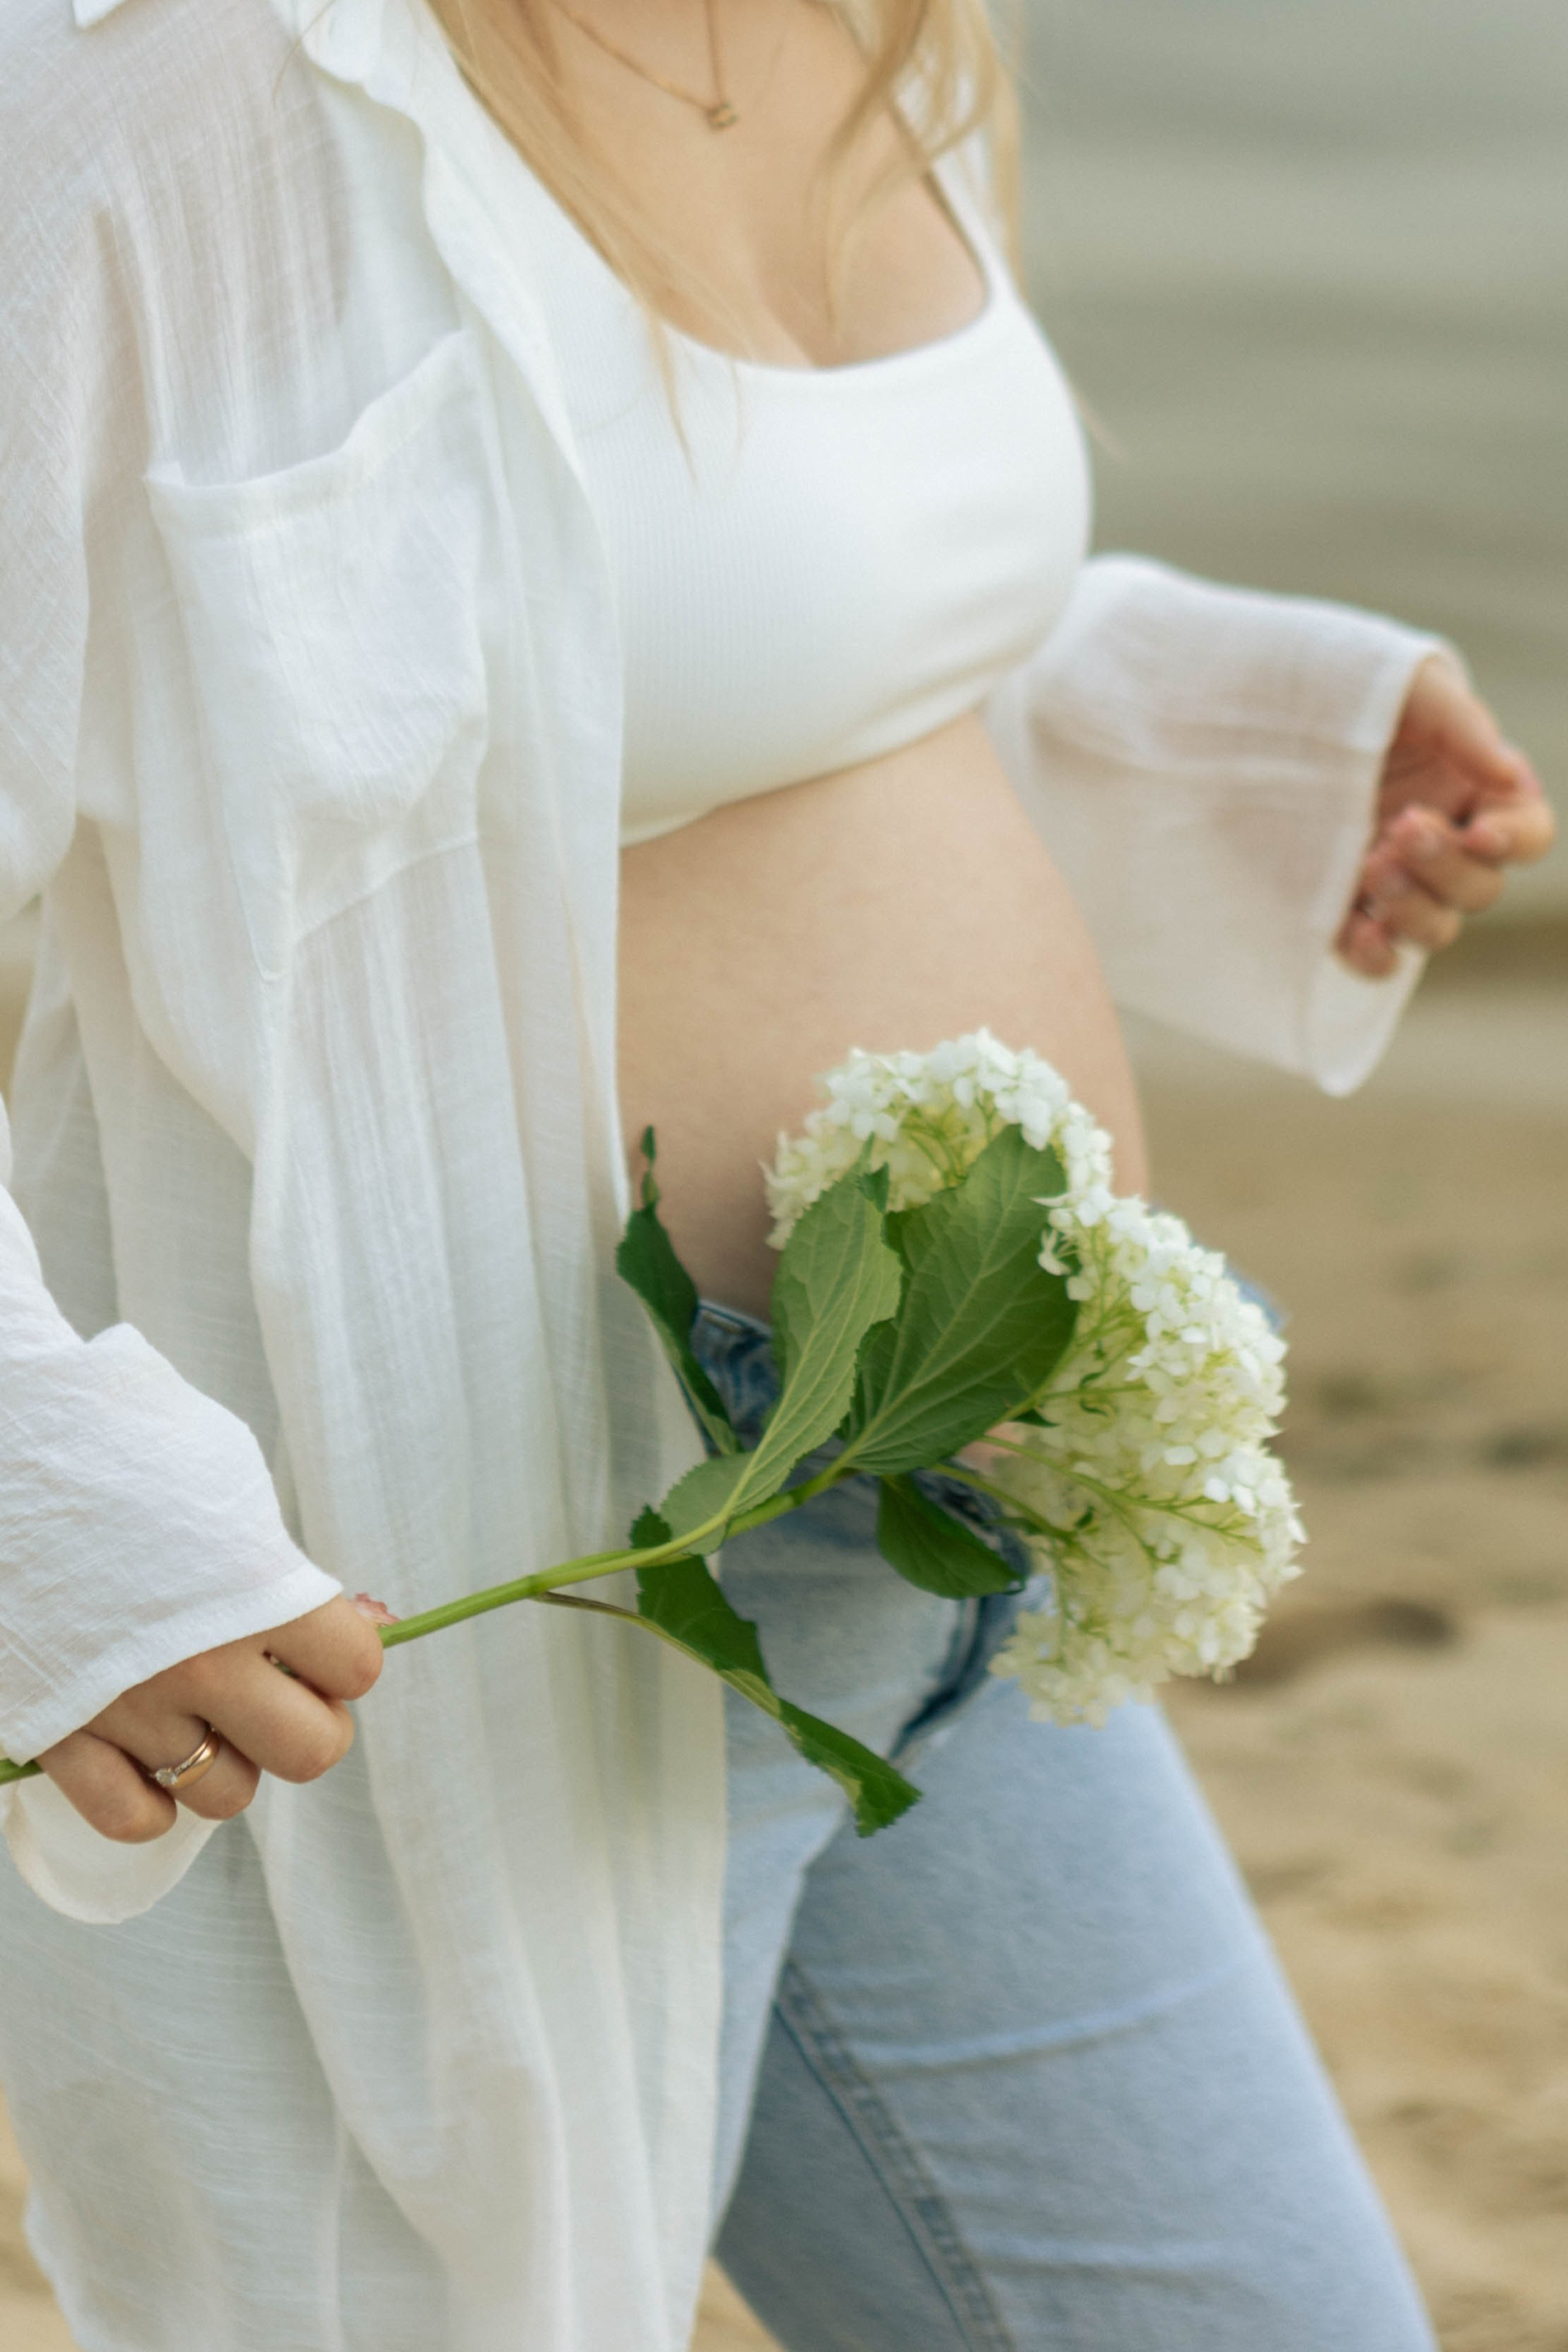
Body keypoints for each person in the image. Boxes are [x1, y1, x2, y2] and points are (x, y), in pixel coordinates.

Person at [0, 0, 1552, 2345]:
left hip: (948, 1536)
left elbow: (679, 630)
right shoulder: (159, 81)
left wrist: (1224, 727)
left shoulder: (875, 20)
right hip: (464, 1582)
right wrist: (56, 1508)